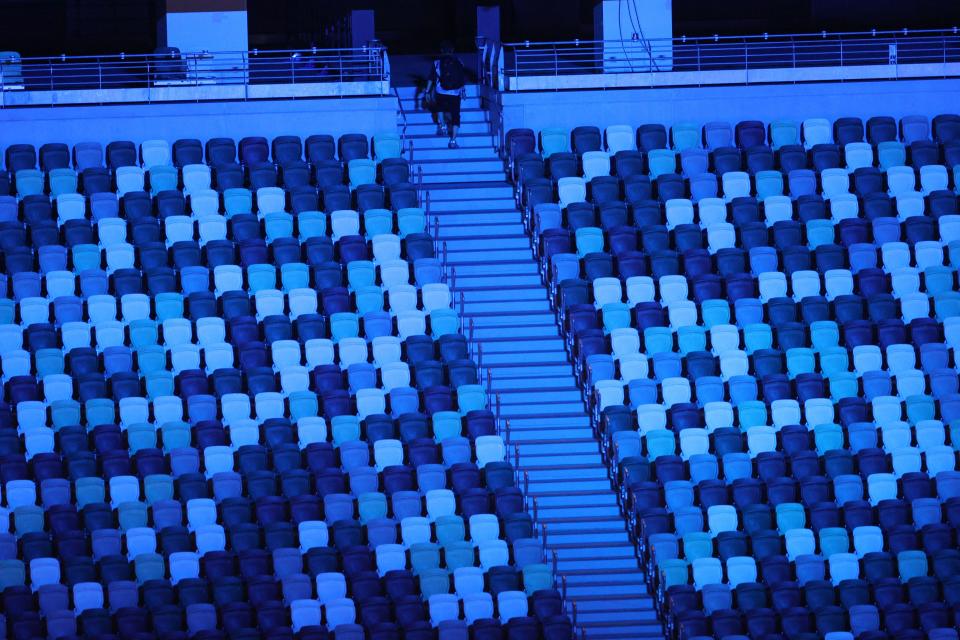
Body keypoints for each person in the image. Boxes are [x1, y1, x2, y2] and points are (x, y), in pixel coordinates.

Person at [429, 42, 466, 148]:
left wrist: (427, 91)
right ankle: (453, 141)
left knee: (439, 107)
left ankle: (443, 125)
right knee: (455, 116)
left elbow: (431, 78)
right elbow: (462, 78)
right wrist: (463, 90)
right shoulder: (459, 61)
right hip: (455, 92)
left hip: (441, 91)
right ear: (452, 50)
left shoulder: (436, 63)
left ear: (441, 51)